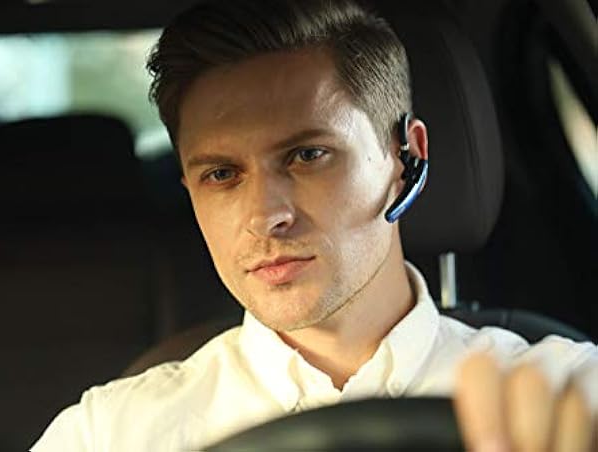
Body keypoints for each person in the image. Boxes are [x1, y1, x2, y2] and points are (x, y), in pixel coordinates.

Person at [31, 0, 597, 450]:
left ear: (406, 157)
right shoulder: (111, 433)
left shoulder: (573, 399)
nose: (265, 216)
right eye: (222, 174)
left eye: (307, 156)